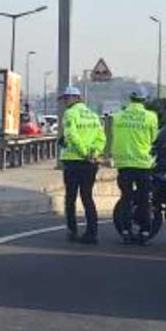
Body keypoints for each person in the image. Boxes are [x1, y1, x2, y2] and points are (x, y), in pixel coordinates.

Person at [110, 86, 159, 243]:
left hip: (124, 163)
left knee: (126, 198)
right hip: (143, 163)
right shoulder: (151, 117)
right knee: (144, 199)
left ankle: (125, 230)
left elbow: (114, 135)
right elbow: (154, 139)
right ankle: (145, 231)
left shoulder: (118, 116)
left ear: (130, 99)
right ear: (144, 100)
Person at [59, 86, 106, 244]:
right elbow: (101, 137)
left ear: (74, 98)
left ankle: (72, 231)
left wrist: (83, 152)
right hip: (90, 163)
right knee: (87, 197)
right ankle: (92, 233)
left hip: (74, 161)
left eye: (66, 98)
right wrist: (93, 152)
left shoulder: (70, 113)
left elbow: (71, 134)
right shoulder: (93, 115)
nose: (65, 102)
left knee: (70, 198)